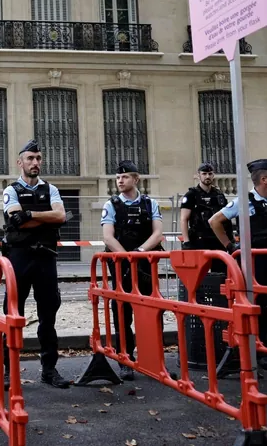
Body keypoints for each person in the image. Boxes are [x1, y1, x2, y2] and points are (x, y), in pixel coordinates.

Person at [208, 159, 267, 371]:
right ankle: (261, 352)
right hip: (256, 262)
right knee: (259, 305)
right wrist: (230, 246)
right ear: (264, 180)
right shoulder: (244, 202)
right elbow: (214, 221)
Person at [0, 139, 69, 389]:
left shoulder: (50, 189)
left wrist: (30, 214)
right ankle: (8, 371)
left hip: (46, 257)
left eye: (38, 158)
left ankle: (49, 370)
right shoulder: (11, 190)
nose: (35, 163)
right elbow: (17, 222)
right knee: (12, 315)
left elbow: (60, 216)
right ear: (20, 162)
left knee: (48, 316)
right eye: (30, 158)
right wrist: (43, 217)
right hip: (19, 258)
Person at [100, 160, 164, 381]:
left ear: (136, 179)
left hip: (146, 264)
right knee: (122, 312)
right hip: (122, 266)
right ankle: (125, 359)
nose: (120, 180)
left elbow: (158, 234)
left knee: (152, 310)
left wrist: (140, 251)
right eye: (118, 177)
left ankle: (153, 360)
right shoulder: (112, 204)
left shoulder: (150, 204)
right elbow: (108, 237)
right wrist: (128, 257)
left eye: (125, 177)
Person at [179, 163, 233, 272]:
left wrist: (230, 239)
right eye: (204, 174)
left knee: (220, 273)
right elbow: (184, 219)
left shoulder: (219, 195)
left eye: (210, 174)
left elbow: (226, 218)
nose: (207, 176)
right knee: (198, 274)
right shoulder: (191, 195)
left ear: (213, 175)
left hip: (217, 239)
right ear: (199, 175)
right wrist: (186, 241)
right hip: (198, 239)